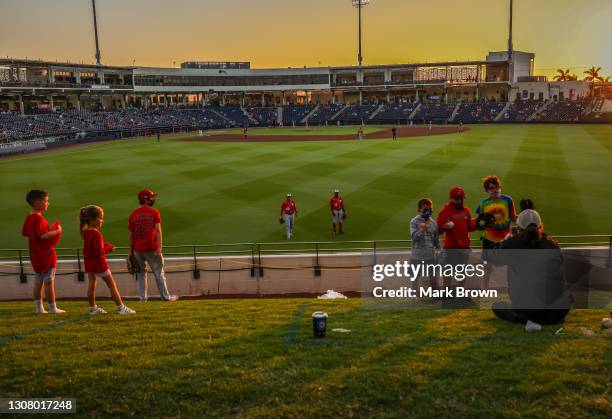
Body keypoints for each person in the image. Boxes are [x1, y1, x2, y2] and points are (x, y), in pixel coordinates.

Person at [488, 210, 571, 332]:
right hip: (559, 312)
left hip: (529, 311)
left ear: (519, 227)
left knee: (497, 306)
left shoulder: (512, 243)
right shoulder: (552, 245)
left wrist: (507, 239)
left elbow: (492, 257)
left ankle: (528, 317)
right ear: (540, 226)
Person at [80, 205, 135, 315]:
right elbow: (99, 251)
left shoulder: (85, 232)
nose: (102, 221)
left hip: (89, 263)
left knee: (91, 285)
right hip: (99, 263)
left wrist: (104, 245)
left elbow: (94, 247)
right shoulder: (96, 233)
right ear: (93, 219)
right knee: (112, 285)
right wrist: (109, 248)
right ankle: (121, 307)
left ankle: (92, 308)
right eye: (100, 218)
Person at [128, 189, 177, 302]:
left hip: (137, 250)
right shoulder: (154, 212)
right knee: (159, 273)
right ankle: (165, 297)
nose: (153, 199)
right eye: (151, 198)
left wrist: (131, 252)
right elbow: (158, 231)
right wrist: (159, 246)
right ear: (146, 199)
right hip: (152, 248)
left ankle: (142, 299)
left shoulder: (133, 215)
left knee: (141, 275)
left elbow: (131, 235)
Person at [22, 190, 65, 314]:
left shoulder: (29, 217)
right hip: (46, 255)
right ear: (37, 203)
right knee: (48, 282)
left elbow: (25, 232)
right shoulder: (39, 219)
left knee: (38, 282)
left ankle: (39, 308)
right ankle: (52, 308)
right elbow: (43, 236)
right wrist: (57, 231)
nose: (48, 203)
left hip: (35, 256)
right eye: (45, 201)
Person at [476, 176, 517, 289]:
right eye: (491, 188)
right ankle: (484, 288)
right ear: (486, 190)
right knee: (486, 266)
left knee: (511, 264)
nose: (495, 189)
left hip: (506, 239)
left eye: (497, 187)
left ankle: (512, 287)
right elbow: (479, 220)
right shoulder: (483, 203)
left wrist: (526, 218)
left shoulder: (508, 200)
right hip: (489, 239)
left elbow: (513, 217)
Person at [436, 187, 477, 289]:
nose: (460, 201)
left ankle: (460, 291)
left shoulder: (466, 210)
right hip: (451, 247)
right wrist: (445, 226)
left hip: (464, 247)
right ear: (451, 198)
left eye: (461, 198)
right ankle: (446, 291)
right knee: (448, 271)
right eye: (457, 198)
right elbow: (437, 230)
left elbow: (470, 227)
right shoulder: (445, 211)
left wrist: (478, 223)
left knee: (462, 271)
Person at [410, 198, 440, 289]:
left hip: (430, 256)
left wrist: (439, 251)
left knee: (433, 278)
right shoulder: (414, 221)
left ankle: (434, 296)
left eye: (430, 209)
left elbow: (436, 241)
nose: (428, 211)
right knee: (415, 278)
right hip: (417, 255)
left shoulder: (434, 223)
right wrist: (422, 230)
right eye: (425, 209)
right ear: (419, 210)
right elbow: (414, 238)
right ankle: (415, 297)